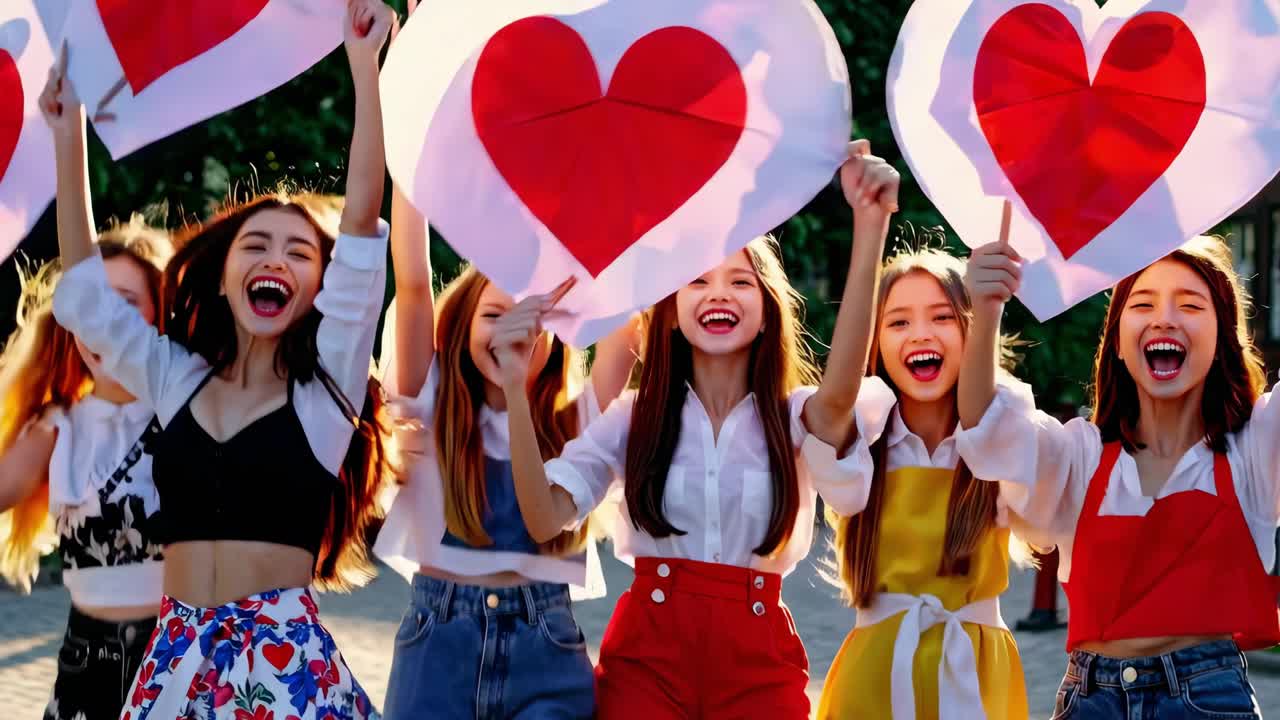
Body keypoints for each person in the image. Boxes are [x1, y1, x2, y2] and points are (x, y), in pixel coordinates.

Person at [42, 2, 398, 717]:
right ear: (225, 273)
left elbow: (360, 227)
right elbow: (85, 296)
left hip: (282, 664)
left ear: (317, 289)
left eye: (299, 252)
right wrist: (67, 133)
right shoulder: (175, 379)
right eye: (256, 245)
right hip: (173, 659)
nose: (276, 258)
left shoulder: (323, 397)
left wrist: (366, 67)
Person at [493, 141, 899, 719]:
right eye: (698, 281)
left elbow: (840, 392)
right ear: (673, 310)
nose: (718, 294)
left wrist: (870, 225)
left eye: (740, 281)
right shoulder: (634, 419)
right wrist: (514, 384)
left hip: (760, 664)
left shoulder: (795, 417)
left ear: (766, 311)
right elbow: (542, 516)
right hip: (647, 659)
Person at [957, 233, 1279, 717]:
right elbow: (988, 430)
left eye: (1190, 305)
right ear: (1119, 344)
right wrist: (985, 310)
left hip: (1209, 700)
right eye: (1143, 303)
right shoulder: (1079, 456)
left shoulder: (1255, 451)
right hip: (1091, 700)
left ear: (1222, 337)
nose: (1164, 318)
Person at [373, 183, 638, 720]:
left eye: (529, 318)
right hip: (437, 639)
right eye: (494, 315)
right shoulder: (432, 399)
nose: (512, 331)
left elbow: (625, 312)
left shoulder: (580, 422)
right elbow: (414, 279)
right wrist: (408, 161)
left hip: (546, 643)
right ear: (462, 322)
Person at [0, 221, 171, 720]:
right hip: (85, 664)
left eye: (123, 303)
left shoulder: (190, 414)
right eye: (91, 307)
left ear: (160, 315)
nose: (103, 324)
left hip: (178, 658)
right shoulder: (57, 427)